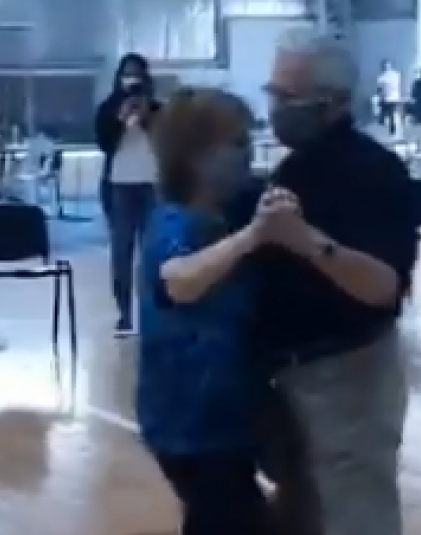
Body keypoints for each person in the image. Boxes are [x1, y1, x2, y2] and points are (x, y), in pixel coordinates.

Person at [245, 27, 419, 535]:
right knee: (303, 514)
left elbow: (383, 286)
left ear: (333, 103)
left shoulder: (374, 173)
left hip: (349, 376)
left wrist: (306, 240)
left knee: (355, 514)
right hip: (289, 374)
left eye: (288, 97)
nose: (276, 108)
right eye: (273, 92)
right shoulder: (294, 170)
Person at [137, 87, 273, 535]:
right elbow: (179, 281)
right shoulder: (174, 222)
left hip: (228, 419)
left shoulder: (224, 216)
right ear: (196, 155)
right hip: (190, 423)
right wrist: (253, 236)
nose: (248, 154)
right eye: (236, 143)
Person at [95, 53, 161, 336]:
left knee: (152, 251)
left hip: (152, 185)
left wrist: (146, 118)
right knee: (121, 252)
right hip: (120, 185)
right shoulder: (108, 108)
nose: (132, 81)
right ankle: (124, 313)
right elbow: (103, 144)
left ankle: (151, 311)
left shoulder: (158, 109)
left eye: (137, 75)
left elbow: (165, 142)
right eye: (127, 75)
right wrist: (120, 119)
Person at [375, 60, 403, 136]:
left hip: (390, 97)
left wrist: (380, 95)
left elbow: (379, 88)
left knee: (390, 112)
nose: (386, 67)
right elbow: (380, 88)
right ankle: (389, 126)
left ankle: (390, 127)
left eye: (386, 66)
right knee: (390, 112)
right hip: (391, 97)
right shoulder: (394, 75)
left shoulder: (383, 76)